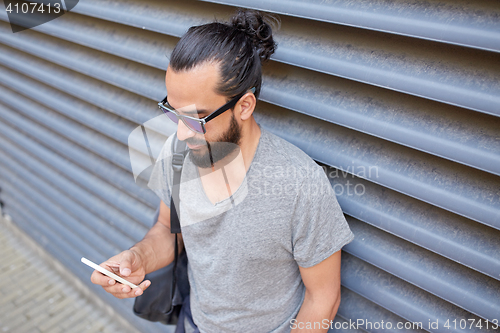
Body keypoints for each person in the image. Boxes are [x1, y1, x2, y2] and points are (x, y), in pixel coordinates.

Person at [91, 9, 354, 333]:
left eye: (197, 119)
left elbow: (324, 298)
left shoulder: (299, 183)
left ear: (244, 106)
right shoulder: (177, 152)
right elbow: (167, 228)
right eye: (173, 112)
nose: (182, 133)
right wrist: (137, 259)